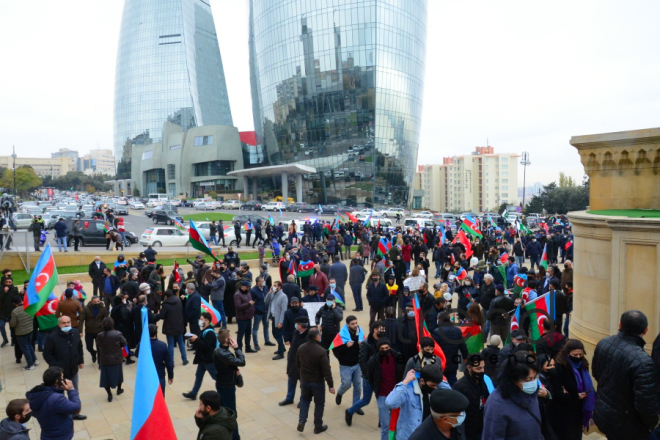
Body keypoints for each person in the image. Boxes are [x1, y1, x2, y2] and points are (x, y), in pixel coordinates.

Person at [592, 310, 659, 439]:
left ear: (620, 324)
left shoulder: (603, 343)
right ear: (646, 330)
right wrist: (651, 424)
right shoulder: (644, 363)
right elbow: (646, 404)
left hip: (604, 415)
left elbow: (596, 373)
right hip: (628, 426)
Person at [482, 351, 543, 440]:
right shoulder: (497, 404)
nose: (533, 383)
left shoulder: (531, 394)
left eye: (535, 378)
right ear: (513, 380)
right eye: (528, 379)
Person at [545, 339, 594, 440]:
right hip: (564, 411)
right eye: (575, 355)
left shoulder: (583, 364)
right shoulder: (560, 366)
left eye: (580, 354)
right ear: (567, 353)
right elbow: (557, 392)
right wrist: (575, 396)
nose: (578, 357)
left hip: (579, 407)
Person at [385, 364, 448, 440]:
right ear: (422, 381)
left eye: (436, 385)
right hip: (409, 436)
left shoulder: (436, 388)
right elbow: (390, 403)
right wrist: (405, 382)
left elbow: (450, 395)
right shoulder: (408, 390)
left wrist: (438, 379)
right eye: (432, 385)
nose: (435, 388)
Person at [43, 316, 85, 418]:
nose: (66, 325)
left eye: (68, 322)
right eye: (64, 323)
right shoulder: (52, 337)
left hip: (73, 370)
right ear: (59, 324)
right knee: (59, 394)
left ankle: (75, 413)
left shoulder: (75, 333)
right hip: (59, 374)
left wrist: (80, 361)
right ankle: (62, 414)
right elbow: (47, 354)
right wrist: (57, 367)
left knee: (73, 391)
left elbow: (79, 347)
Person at [296, 327, 335, 434]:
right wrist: (330, 385)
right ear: (317, 337)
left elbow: (298, 365)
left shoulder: (301, 348)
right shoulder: (321, 351)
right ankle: (318, 426)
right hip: (317, 382)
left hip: (304, 380)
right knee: (319, 403)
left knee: (304, 400)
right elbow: (326, 370)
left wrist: (302, 376)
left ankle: (302, 420)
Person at [26, 367, 82, 439]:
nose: (64, 379)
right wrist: (71, 390)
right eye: (62, 377)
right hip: (59, 436)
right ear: (57, 381)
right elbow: (76, 408)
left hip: (47, 434)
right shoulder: (56, 399)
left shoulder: (37, 394)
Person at [367, 338, 405, 440]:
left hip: (396, 395)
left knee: (395, 423)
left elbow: (402, 374)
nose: (385, 350)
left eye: (387, 348)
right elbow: (370, 378)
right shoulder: (373, 361)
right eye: (382, 348)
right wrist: (376, 390)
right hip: (382, 395)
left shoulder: (397, 357)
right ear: (379, 349)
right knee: (385, 426)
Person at [213, 329, 246, 440]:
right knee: (231, 414)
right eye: (230, 336)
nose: (232, 338)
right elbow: (242, 362)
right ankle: (235, 437)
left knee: (223, 411)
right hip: (227, 386)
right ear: (227, 340)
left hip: (221, 383)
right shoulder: (225, 354)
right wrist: (236, 348)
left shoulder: (218, 350)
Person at [453, 353, 492, 440]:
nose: (482, 371)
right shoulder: (460, 387)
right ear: (469, 368)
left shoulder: (482, 381)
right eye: (478, 368)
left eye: (483, 367)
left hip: (482, 428)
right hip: (468, 433)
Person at [183, 312, 219, 400]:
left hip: (208, 359)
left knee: (217, 377)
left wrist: (197, 340)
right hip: (202, 359)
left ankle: (223, 391)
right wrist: (193, 340)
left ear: (207, 321)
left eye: (202, 319)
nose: (200, 321)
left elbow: (206, 346)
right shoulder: (204, 330)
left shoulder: (209, 332)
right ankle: (194, 393)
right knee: (199, 375)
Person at [332, 315, 362, 410]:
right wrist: (346, 347)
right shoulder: (341, 335)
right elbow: (335, 349)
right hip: (345, 366)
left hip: (357, 365)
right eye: (352, 324)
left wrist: (362, 345)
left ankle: (356, 406)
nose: (355, 325)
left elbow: (365, 347)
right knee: (346, 384)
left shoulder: (360, 333)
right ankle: (340, 393)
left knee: (358, 386)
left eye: (356, 323)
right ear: (348, 324)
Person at [280, 316, 309, 406]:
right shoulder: (296, 332)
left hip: (302, 364)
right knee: (291, 381)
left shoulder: (308, 336)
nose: (295, 326)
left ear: (301, 326)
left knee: (303, 384)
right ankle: (289, 398)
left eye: (297, 324)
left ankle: (303, 400)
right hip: (293, 362)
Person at [95, 317, 126, 402]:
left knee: (106, 378)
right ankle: (119, 389)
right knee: (119, 375)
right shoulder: (118, 334)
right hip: (117, 358)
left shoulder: (100, 335)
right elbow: (124, 343)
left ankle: (109, 394)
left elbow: (98, 345)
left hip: (105, 359)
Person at [433, 314, 467, 386]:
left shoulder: (437, 331)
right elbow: (462, 345)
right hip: (453, 360)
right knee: (452, 379)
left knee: (441, 380)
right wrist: (465, 357)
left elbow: (435, 348)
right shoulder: (457, 330)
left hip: (441, 361)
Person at [157, 290, 188, 365]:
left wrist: (159, 313)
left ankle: (171, 361)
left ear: (166, 296)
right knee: (181, 342)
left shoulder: (165, 304)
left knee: (170, 344)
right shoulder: (178, 300)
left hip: (170, 326)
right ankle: (184, 359)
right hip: (179, 325)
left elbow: (162, 316)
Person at [142, 324, 173, 396]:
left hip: (147, 374)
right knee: (161, 397)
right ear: (156, 332)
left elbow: (137, 354)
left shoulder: (143, 345)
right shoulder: (162, 345)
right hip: (159, 374)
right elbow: (168, 362)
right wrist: (170, 375)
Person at [78, 296, 109, 364]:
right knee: (88, 347)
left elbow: (106, 319)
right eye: (95, 302)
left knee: (100, 348)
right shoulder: (86, 309)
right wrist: (80, 331)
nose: (96, 303)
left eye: (98, 301)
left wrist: (106, 329)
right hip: (89, 331)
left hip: (99, 331)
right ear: (91, 302)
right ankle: (93, 353)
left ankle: (100, 363)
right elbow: (81, 320)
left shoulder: (102, 309)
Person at [10, 296, 36, 371]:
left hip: (21, 333)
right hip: (30, 330)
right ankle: (35, 360)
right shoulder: (28, 307)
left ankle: (30, 365)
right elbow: (32, 317)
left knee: (25, 348)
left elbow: (13, 324)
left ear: (14, 303)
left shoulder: (15, 311)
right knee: (30, 345)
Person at [265, 280, 288, 360]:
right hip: (273, 317)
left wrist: (281, 322)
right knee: (274, 334)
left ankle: (281, 353)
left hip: (278, 319)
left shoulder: (283, 296)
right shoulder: (273, 294)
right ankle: (281, 347)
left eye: (275, 285)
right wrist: (270, 292)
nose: (274, 287)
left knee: (278, 335)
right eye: (273, 285)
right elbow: (266, 301)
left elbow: (284, 310)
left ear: (280, 287)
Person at [234, 281, 257, 353]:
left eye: (249, 287)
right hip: (242, 318)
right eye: (247, 287)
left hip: (248, 317)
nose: (248, 288)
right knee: (240, 334)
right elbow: (238, 306)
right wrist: (248, 304)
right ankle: (239, 349)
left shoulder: (248, 292)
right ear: (242, 286)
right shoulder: (237, 295)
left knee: (248, 334)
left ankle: (248, 347)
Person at [249, 276, 271, 350]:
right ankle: (256, 343)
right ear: (258, 282)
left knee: (266, 326)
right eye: (262, 281)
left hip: (265, 311)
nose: (263, 282)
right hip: (258, 312)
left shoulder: (266, 288)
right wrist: (255, 309)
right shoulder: (253, 291)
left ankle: (267, 340)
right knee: (255, 328)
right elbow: (252, 302)